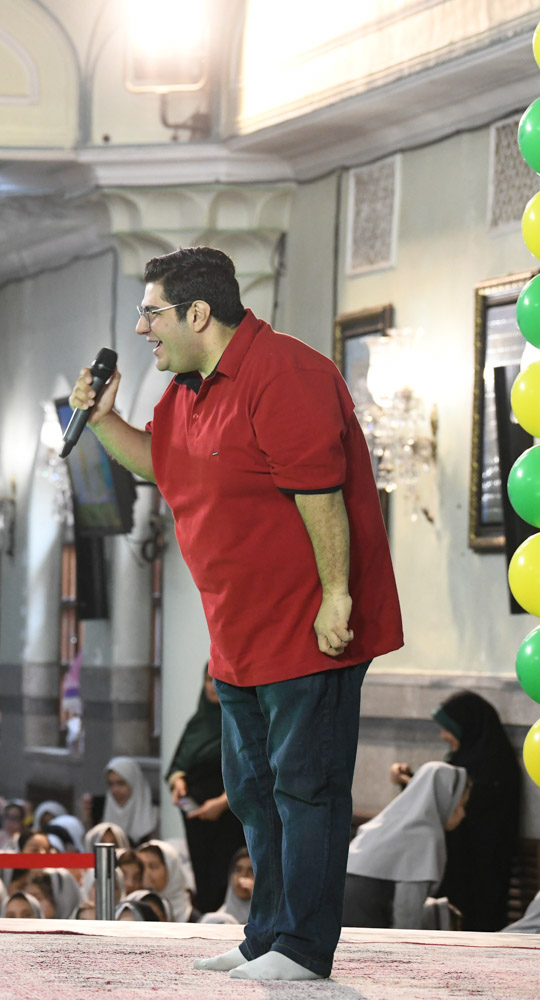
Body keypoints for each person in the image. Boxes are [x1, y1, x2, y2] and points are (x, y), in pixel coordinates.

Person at [70, 246, 402, 981]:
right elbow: (160, 463)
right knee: (252, 790)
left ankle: (303, 948)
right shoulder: (186, 391)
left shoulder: (285, 372)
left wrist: (337, 597)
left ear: (198, 313)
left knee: (305, 787)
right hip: (238, 635)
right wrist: (100, 419)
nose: (141, 329)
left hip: (306, 627)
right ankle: (267, 936)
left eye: (152, 313)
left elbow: (320, 492)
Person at [391, 690, 521, 931]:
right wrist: (410, 779)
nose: (443, 735)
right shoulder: (464, 757)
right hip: (456, 874)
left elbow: (456, 803)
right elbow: (446, 798)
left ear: (467, 727)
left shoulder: (495, 768)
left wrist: (412, 783)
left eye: (448, 728)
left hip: (480, 878)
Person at [344, 761, 469, 929]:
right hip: (362, 923)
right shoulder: (424, 836)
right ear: (445, 799)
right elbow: (407, 913)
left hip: (336, 915)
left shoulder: (393, 819)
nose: (464, 814)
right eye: (461, 805)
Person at [167, 664, 246, 913]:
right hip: (197, 821)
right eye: (208, 680)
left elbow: (249, 769)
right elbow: (178, 764)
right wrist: (178, 783)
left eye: (217, 680)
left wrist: (222, 803)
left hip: (229, 817)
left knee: (226, 878)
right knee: (203, 881)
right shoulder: (197, 722)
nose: (212, 687)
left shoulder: (241, 721)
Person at [101, 758, 157, 846]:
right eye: (111, 784)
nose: (114, 790)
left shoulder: (155, 818)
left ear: (135, 784)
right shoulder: (101, 816)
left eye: (121, 783)